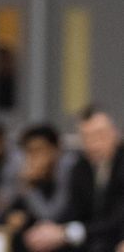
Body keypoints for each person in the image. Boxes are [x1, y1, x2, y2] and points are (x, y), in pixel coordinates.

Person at [25, 108, 124, 252]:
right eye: (87, 137)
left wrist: (68, 232)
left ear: (115, 133)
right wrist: (53, 229)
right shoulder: (81, 167)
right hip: (92, 238)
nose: (94, 143)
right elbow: (73, 209)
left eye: (100, 135)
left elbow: (118, 218)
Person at [7, 124, 73, 252]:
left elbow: (50, 216)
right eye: (29, 152)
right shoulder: (29, 174)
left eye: (40, 150)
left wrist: (29, 187)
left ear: (56, 150)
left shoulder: (69, 171)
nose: (35, 157)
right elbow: (12, 211)